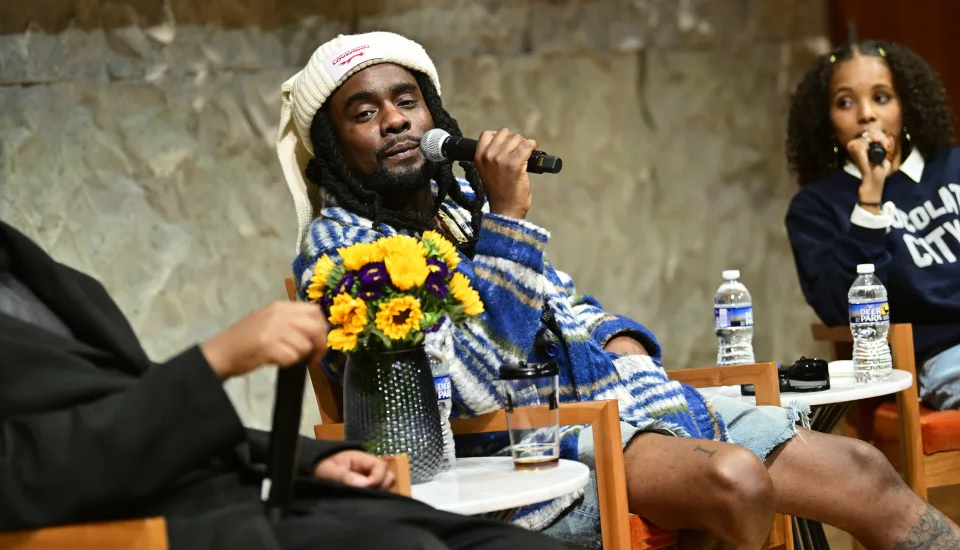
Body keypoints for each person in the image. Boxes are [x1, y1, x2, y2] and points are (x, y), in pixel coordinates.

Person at [276, 31, 960, 550]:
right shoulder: (342, 251)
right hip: (526, 445)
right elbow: (472, 390)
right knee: (734, 482)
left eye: (407, 101)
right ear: (334, 149)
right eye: (363, 113)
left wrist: (621, 341)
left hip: (623, 402)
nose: (394, 120)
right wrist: (511, 220)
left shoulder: (460, 205)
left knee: (864, 470)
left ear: (435, 115)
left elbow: (562, 300)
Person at [0, 220, 566, 550]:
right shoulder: (337, 239)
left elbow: (121, 411)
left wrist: (304, 459)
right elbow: (27, 473)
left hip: (249, 493)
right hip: (163, 530)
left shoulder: (21, 264)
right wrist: (215, 360)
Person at [785, 39, 960, 410]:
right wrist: (870, 197)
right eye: (845, 102)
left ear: (905, 108)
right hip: (937, 355)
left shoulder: (953, 168)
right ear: (827, 123)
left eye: (881, 97)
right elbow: (836, 307)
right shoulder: (816, 206)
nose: (866, 114)